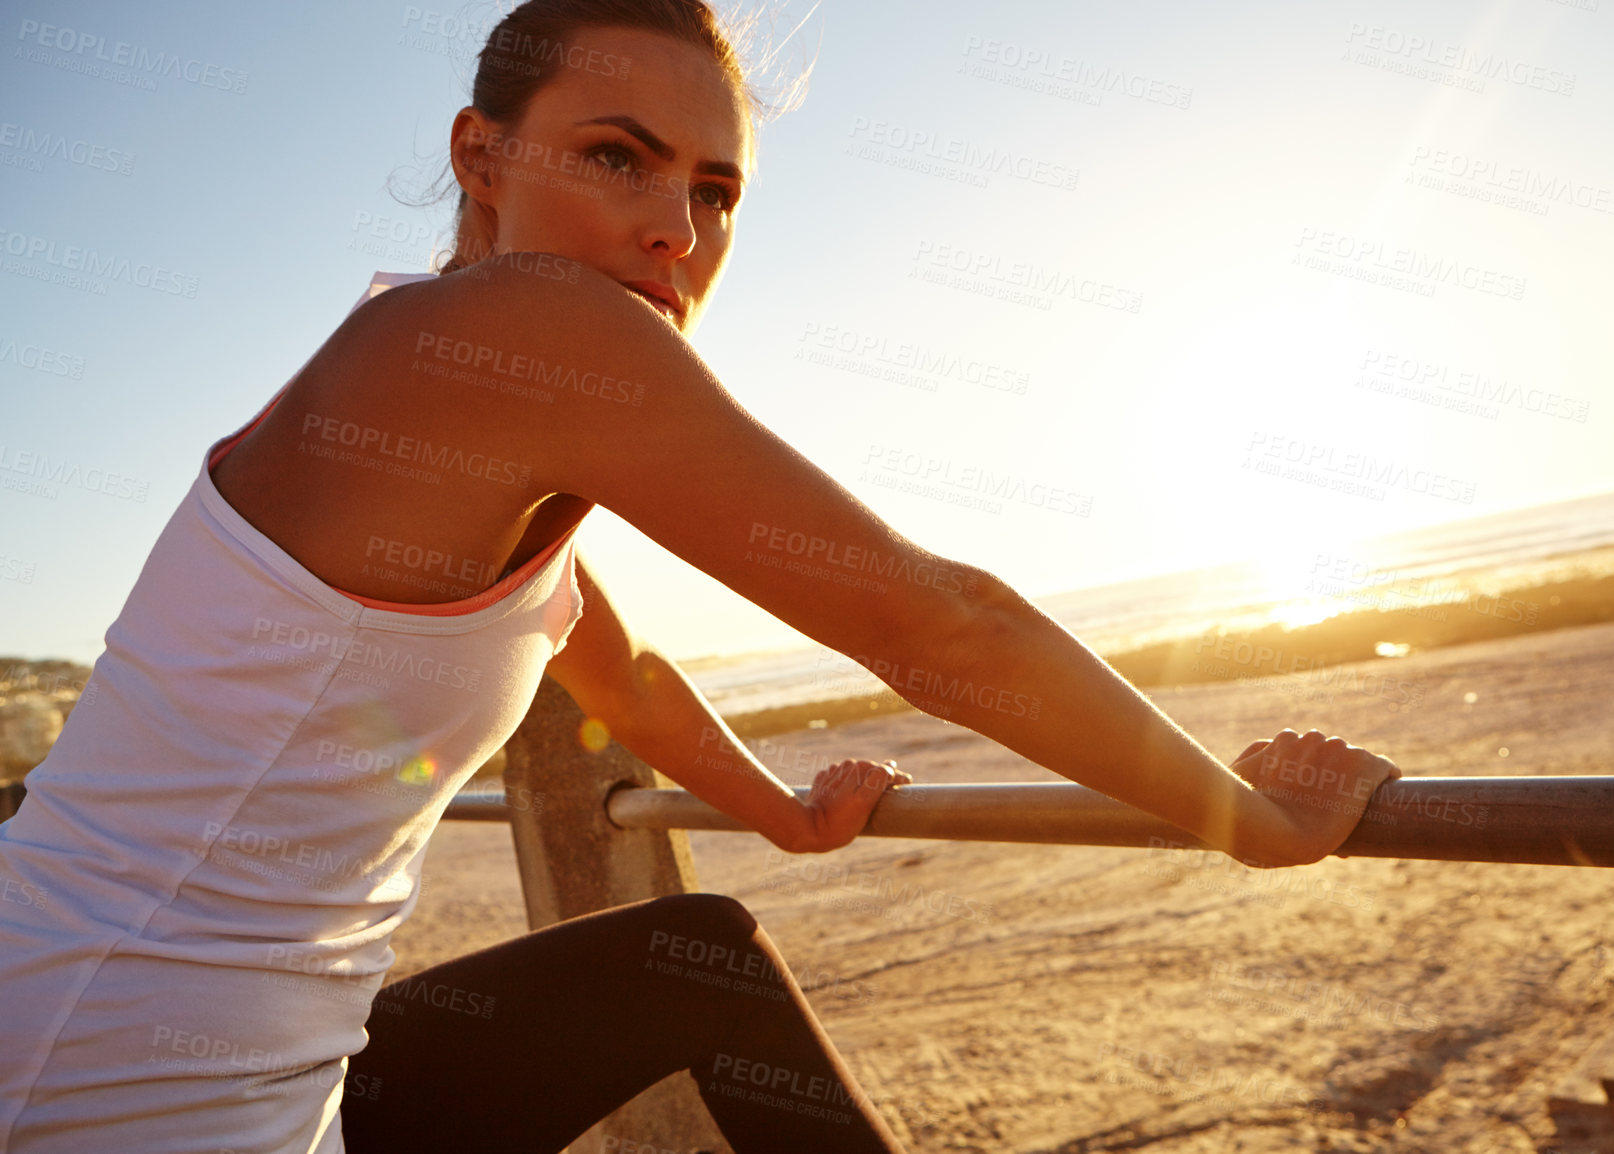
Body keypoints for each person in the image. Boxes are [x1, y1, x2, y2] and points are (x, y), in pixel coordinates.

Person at [0, 1, 1401, 1151]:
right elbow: (932, 617)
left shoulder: (462, 412)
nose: (679, 225)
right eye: (620, 157)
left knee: (703, 961)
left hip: (290, 1072)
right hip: (96, 1085)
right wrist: (1246, 820)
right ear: (480, 156)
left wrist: (783, 815)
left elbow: (628, 683)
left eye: (714, 187)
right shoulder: (511, 328)